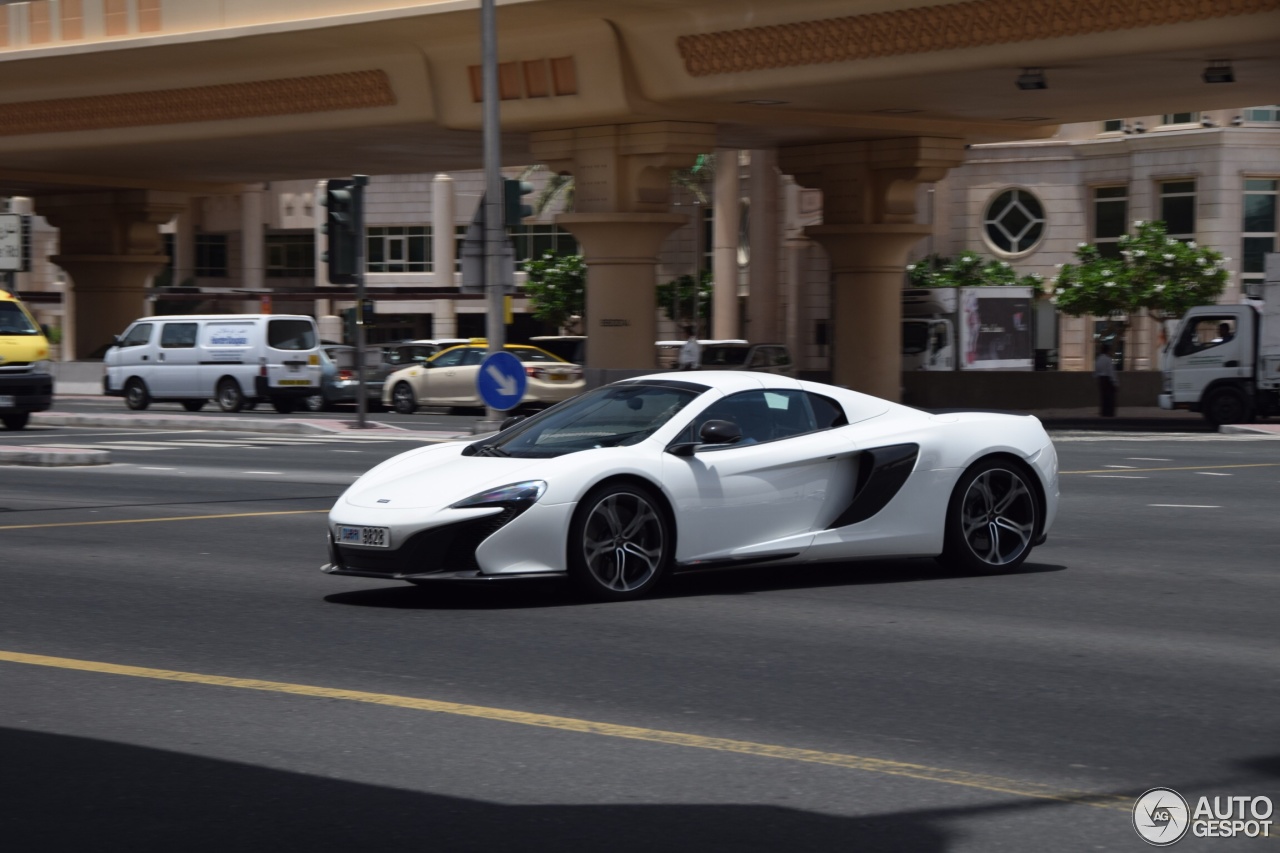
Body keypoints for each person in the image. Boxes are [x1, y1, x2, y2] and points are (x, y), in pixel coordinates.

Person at [1094, 342, 1117, 418]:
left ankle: (1104, 413)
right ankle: (1109, 413)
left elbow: (1096, 371)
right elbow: (1111, 372)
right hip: (1107, 380)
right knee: (1110, 398)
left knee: (1103, 397)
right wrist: (1115, 382)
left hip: (1101, 379)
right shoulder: (1108, 360)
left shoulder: (1098, 359)